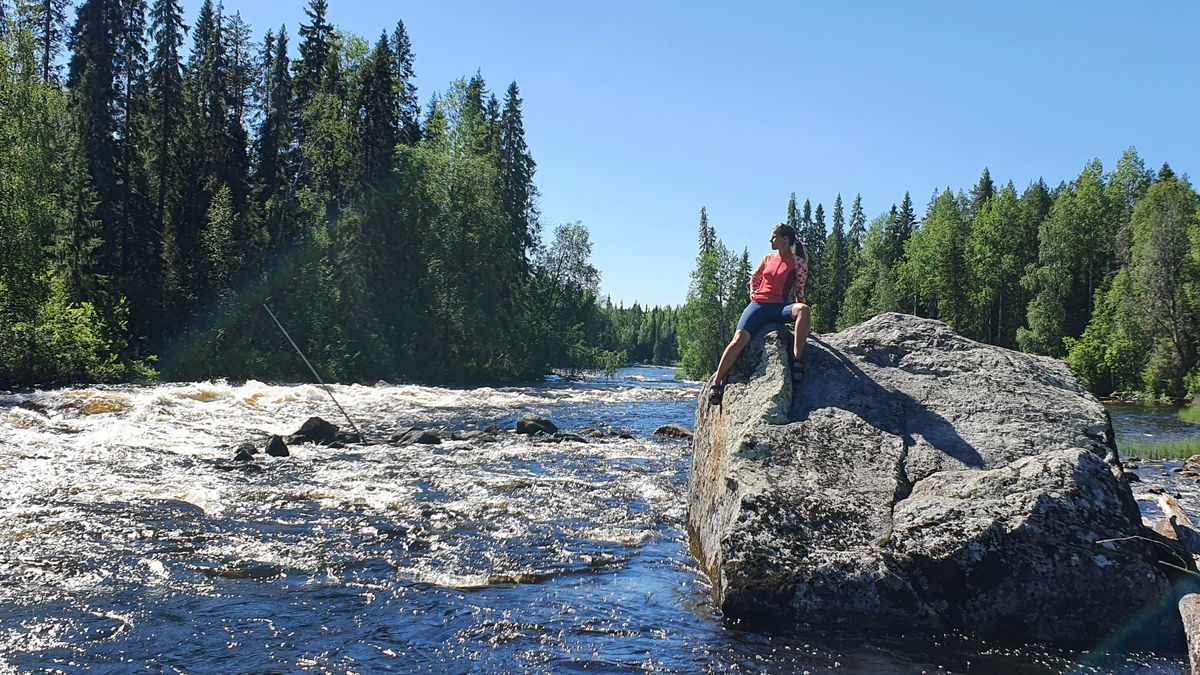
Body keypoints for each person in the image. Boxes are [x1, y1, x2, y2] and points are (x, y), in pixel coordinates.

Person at [708, 223, 810, 406]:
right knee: (739, 338)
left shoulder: (799, 263)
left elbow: (800, 291)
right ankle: (717, 383)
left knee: (804, 309)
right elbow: (754, 278)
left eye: (774, 237)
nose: (771, 240)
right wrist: (753, 293)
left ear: (785, 240)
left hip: (780, 308)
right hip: (758, 306)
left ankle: (797, 359)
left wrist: (802, 322)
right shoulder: (768, 259)